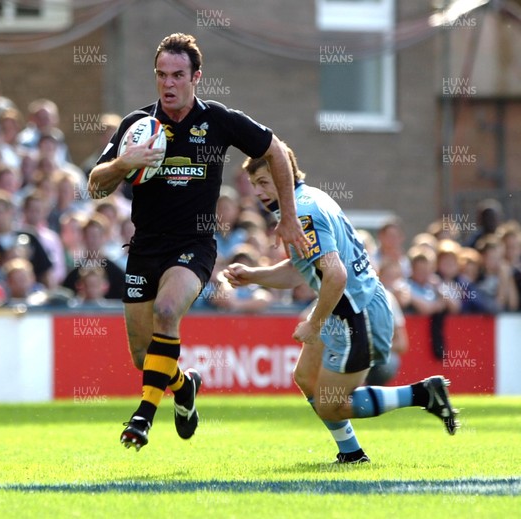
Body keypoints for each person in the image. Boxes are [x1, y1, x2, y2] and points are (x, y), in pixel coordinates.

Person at [88, 33, 309, 450]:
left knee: (168, 311)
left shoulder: (219, 121)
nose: (168, 84)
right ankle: (183, 385)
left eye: (177, 75)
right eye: (161, 75)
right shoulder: (137, 127)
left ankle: (142, 416)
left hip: (195, 245)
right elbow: (95, 187)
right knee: (143, 357)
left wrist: (288, 216)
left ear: (196, 78)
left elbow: (276, 150)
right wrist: (123, 163)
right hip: (144, 248)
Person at [224, 144, 459, 463]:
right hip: (348, 307)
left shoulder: (304, 212)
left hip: (355, 314)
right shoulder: (305, 201)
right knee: (306, 377)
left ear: (285, 174)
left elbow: (335, 275)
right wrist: (254, 275)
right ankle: (351, 454)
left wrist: (314, 323)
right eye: (255, 185)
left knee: (330, 403)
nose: (259, 192)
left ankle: (422, 394)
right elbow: (300, 270)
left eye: (265, 182)